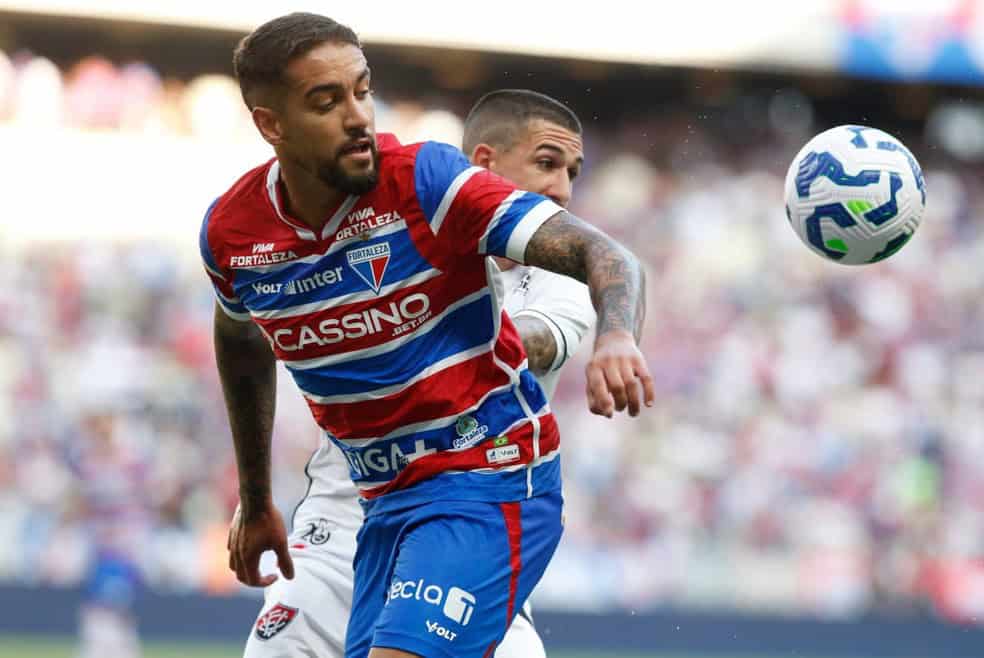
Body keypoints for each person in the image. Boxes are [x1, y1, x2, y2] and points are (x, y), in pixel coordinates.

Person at [201, 13, 651, 658]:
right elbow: (239, 334)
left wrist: (616, 337)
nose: (359, 116)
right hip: (373, 506)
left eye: (363, 91)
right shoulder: (233, 234)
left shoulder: (428, 182)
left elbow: (604, 261)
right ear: (271, 124)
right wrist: (255, 497)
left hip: (483, 477)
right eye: (327, 102)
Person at [240, 87, 593, 658]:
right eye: (547, 165)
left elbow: (532, 342)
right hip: (342, 529)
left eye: (572, 172)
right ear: (482, 165)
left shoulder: (560, 281)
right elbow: (249, 336)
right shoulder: (387, 235)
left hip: (465, 530)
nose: (562, 189)